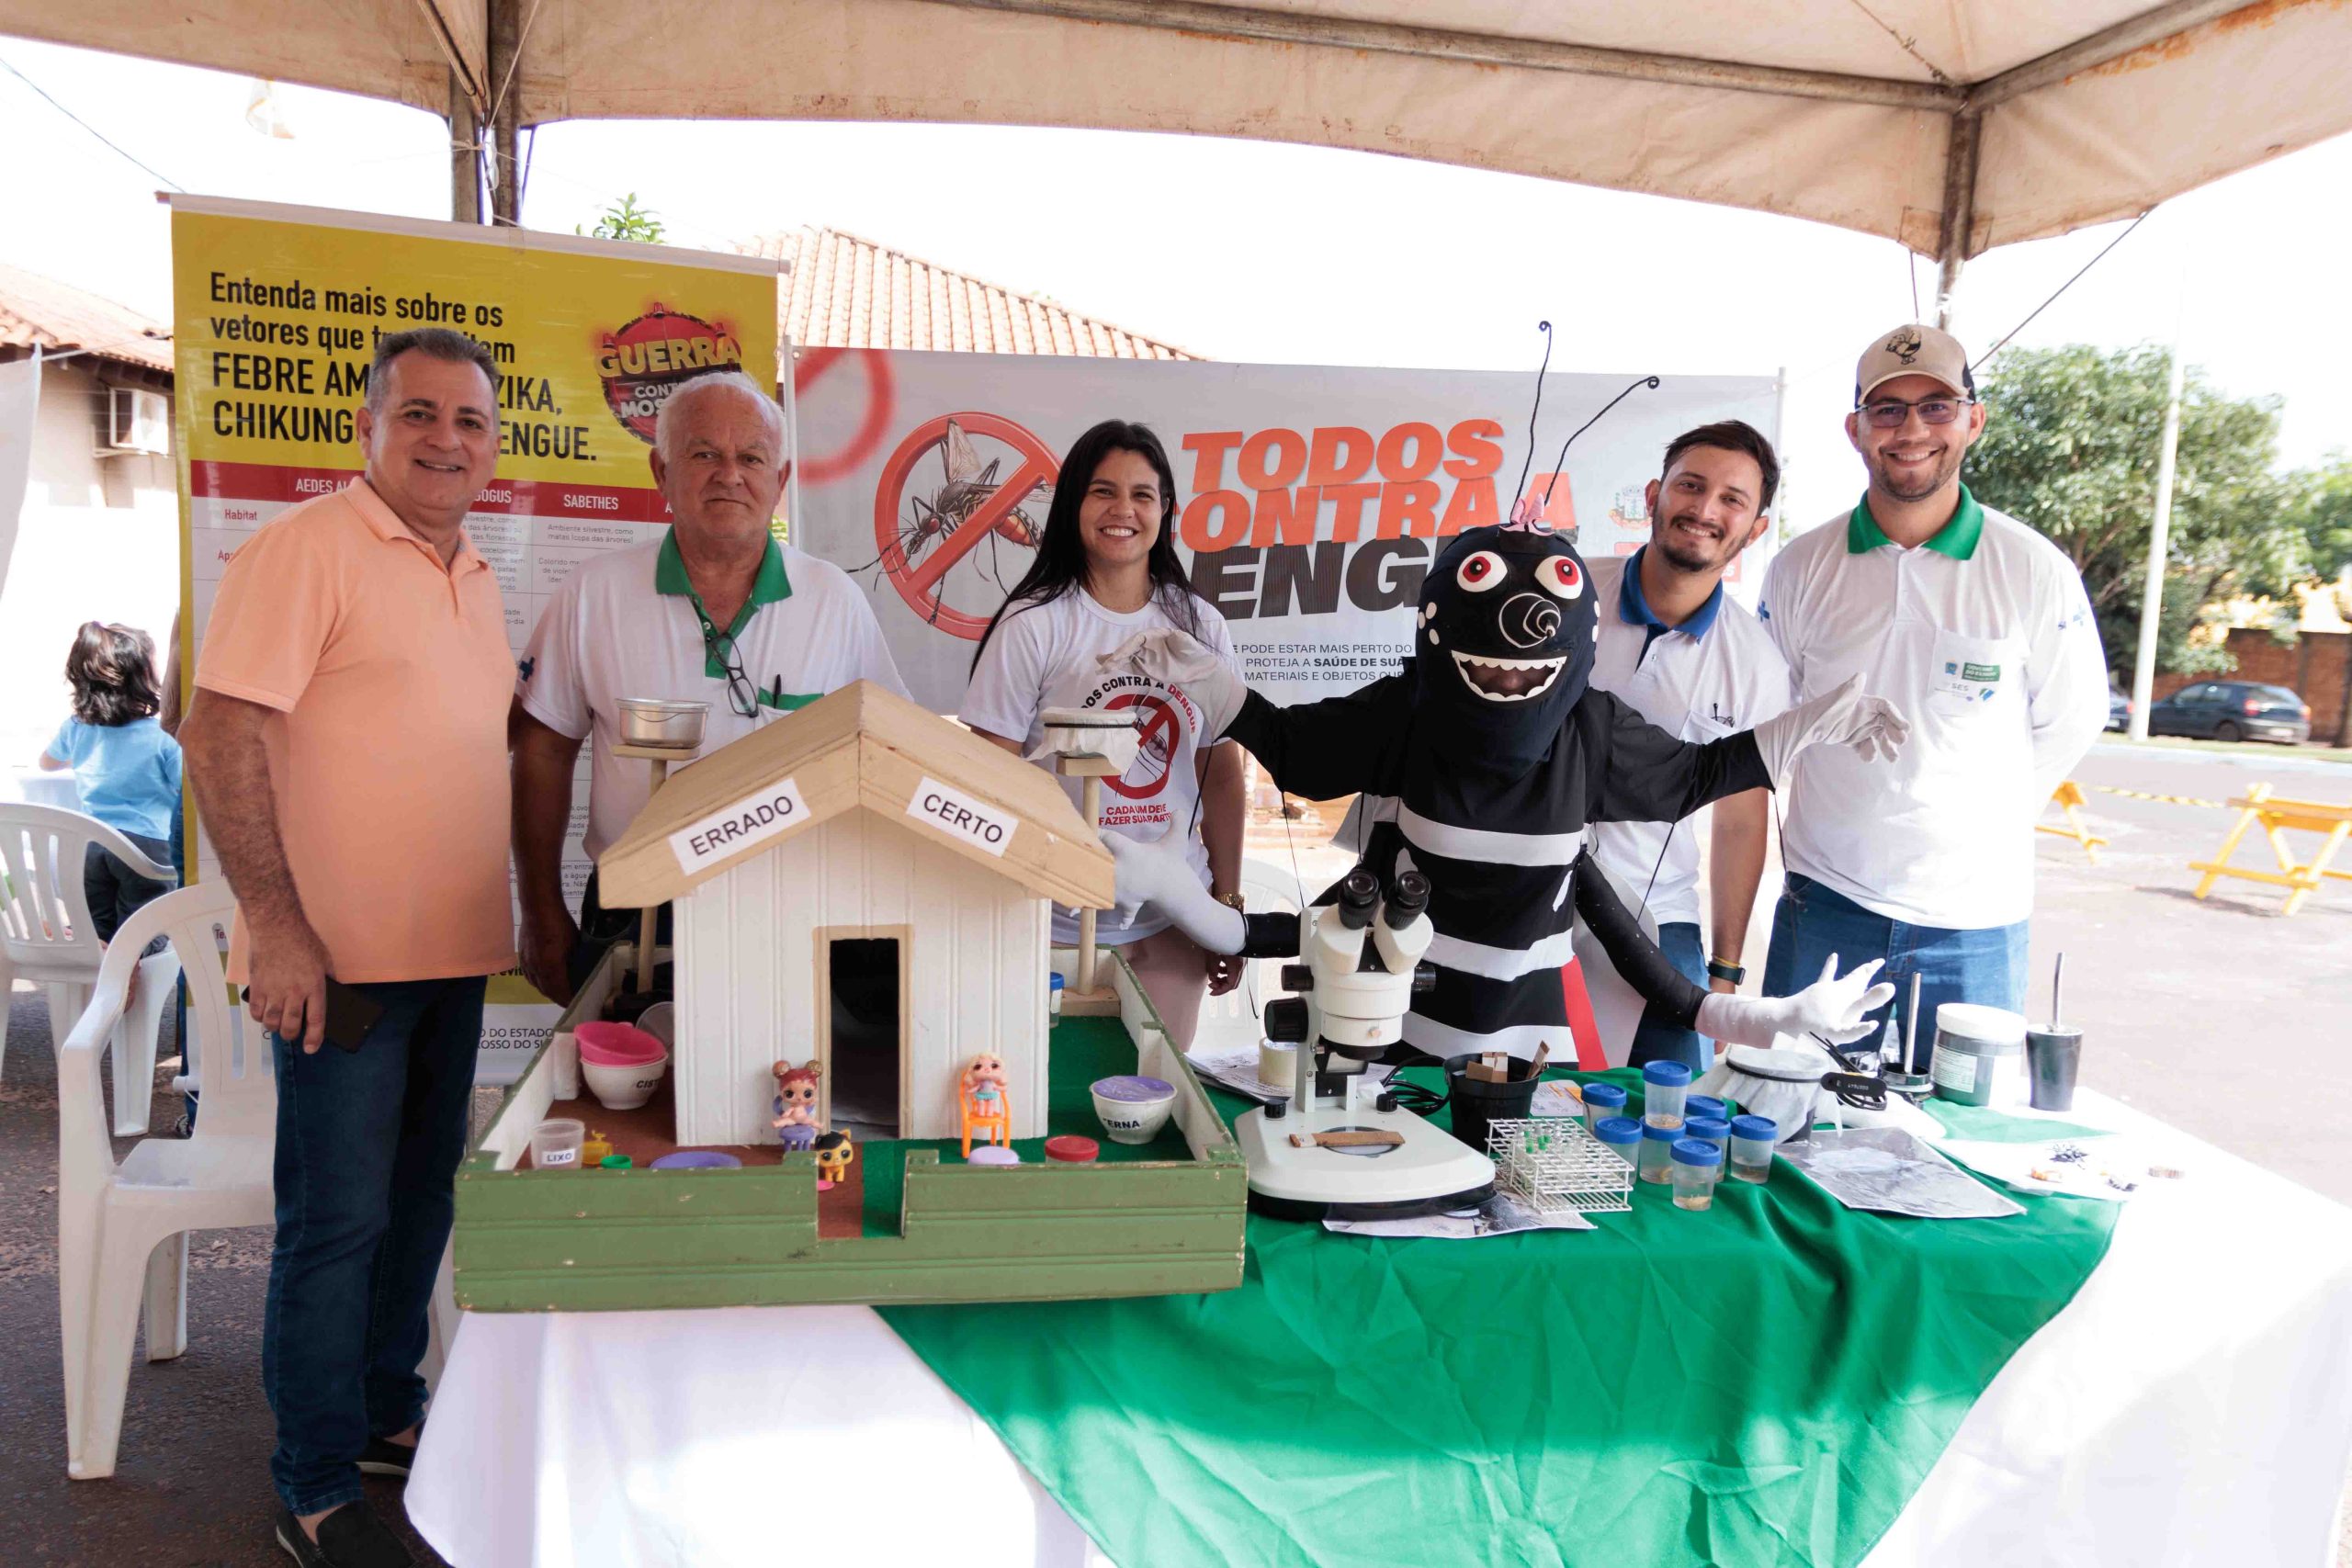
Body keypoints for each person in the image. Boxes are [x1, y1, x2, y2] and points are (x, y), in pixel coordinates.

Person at [1091, 519, 1904, 1069]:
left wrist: (1774, 1016)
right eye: (1494, 663)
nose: (1511, 674)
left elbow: (1693, 792)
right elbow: (1299, 758)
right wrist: (1172, 868)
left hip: (1531, 1069)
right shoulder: (1410, 713)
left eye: (1529, 671)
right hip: (1394, 1054)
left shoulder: (1589, 733)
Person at [178, 326, 515, 1568]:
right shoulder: (305, 549)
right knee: (336, 1225)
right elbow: (218, 734)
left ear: (494, 446)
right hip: (339, 969)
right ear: (367, 427)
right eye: (418, 413)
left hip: (451, 959)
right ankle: (313, 1485)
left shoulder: (475, 570)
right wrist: (277, 926)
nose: (445, 440)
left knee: (418, 1205)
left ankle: (380, 1412)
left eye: (470, 420)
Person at [1758, 323, 2109, 1067]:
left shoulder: (2033, 568)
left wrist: (1974, 830)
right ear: (1855, 429)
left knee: (1962, 1125)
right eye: (1887, 410)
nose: (1911, 430)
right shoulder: (1800, 567)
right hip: (1825, 904)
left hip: (1975, 926)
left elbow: (2071, 720)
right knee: (1788, 1110)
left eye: (1937, 407)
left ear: (1973, 421)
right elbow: (1768, 719)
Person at [512, 370, 907, 1002]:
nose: (730, 475)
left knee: (788, 1066)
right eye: (703, 454)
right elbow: (542, 749)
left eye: (751, 457)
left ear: (780, 481)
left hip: (792, 905)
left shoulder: (834, 599)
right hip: (637, 906)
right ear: (660, 472)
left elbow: (890, 751)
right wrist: (539, 911)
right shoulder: (594, 591)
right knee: (635, 1064)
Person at [960, 420, 1245, 1049]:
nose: (1123, 510)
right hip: (1050, 926)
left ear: (1165, 509)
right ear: (1073, 505)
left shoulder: (1201, 626)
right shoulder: (1033, 625)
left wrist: (1224, 905)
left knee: (1157, 1091)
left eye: (1142, 494)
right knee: (1048, 1094)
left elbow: (1221, 775)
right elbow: (988, 785)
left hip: (1173, 922)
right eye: (1103, 491)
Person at [1585, 422, 1792, 1072]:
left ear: (1755, 528)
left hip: (1657, 910)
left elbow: (1740, 821)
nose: (1705, 510)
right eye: (1691, 486)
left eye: (1732, 499)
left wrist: (1724, 971)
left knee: (1676, 1095)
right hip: (1522, 888)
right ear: (1654, 495)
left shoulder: (1756, 665)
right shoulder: (1565, 592)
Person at [39, 621, 181, 947]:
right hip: (146, 849)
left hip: (92, 844)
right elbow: (185, 786)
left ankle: (96, 963)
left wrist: (78, 757)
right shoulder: (161, 736)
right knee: (145, 932)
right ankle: (134, 970)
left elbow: (47, 763)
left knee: (98, 931)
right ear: (144, 678)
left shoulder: (76, 728)